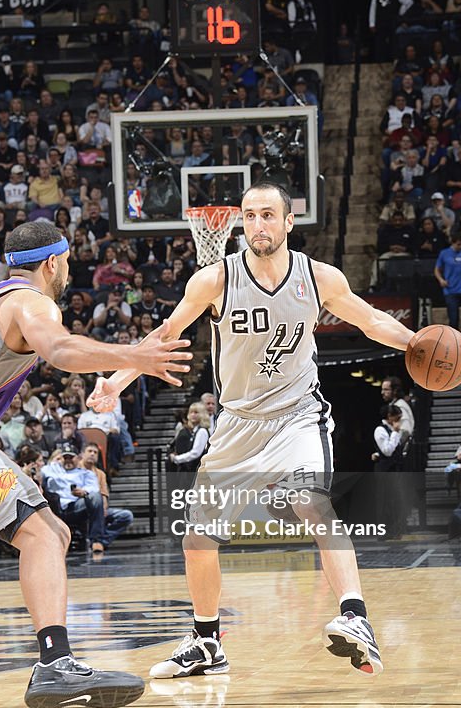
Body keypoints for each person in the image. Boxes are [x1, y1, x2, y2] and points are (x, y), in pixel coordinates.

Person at [87, 181, 416, 679]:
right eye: (249, 216)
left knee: (311, 501)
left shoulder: (319, 277)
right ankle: (206, 642)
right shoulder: (214, 280)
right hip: (237, 423)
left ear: (288, 223)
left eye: (267, 215)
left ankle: (356, 616)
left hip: (297, 414)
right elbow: (165, 335)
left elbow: (370, 320)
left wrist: (416, 342)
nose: (257, 225)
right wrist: (116, 382)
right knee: (198, 539)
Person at [0, 220, 191, 708]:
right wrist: (133, 355)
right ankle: (55, 663)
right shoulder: (33, 302)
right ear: (53, 262)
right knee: (47, 533)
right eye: (67, 262)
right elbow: (61, 350)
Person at [434, 232, 461, 340]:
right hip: (450, 290)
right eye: (458, 244)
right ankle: (456, 341)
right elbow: (437, 269)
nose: (460, 247)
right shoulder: (444, 253)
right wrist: (441, 280)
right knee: (454, 320)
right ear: (453, 243)